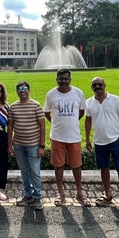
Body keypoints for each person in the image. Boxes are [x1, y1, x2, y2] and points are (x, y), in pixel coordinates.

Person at [85, 77, 119, 217]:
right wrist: (88, 139)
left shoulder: (115, 99)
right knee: (104, 169)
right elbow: (88, 121)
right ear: (91, 87)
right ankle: (107, 195)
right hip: (99, 142)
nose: (98, 86)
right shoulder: (89, 102)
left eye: (100, 84)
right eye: (94, 85)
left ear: (105, 85)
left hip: (115, 140)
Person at [44, 69, 90, 207]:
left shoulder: (78, 93)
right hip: (57, 136)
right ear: (56, 79)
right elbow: (46, 112)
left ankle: (79, 193)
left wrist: (72, 121)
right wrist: (56, 122)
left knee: (76, 166)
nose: (63, 81)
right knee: (58, 165)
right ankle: (60, 193)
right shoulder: (51, 94)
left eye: (66, 79)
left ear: (70, 79)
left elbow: (81, 111)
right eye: (60, 79)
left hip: (74, 136)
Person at [7, 81, 46, 210]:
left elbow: (42, 126)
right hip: (19, 145)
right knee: (24, 171)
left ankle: (37, 197)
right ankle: (28, 195)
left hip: (34, 145)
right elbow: (10, 126)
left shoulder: (36, 106)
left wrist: (42, 146)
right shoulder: (13, 107)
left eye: (25, 88)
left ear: (29, 90)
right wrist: (9, 145)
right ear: (17, 91)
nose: (22, 90)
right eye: (20, 89)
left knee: (35, 172)